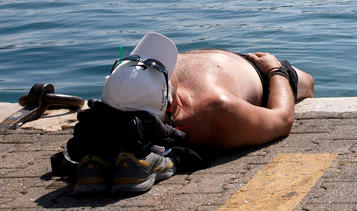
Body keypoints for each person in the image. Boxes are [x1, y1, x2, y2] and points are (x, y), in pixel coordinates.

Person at [72, 32, 314, 195]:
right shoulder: (215, 108)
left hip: (221, 65)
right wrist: (274, 69)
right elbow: (282, 120)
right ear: (173, 103)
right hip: (256, 70)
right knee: (307, 83)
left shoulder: (124, 93)